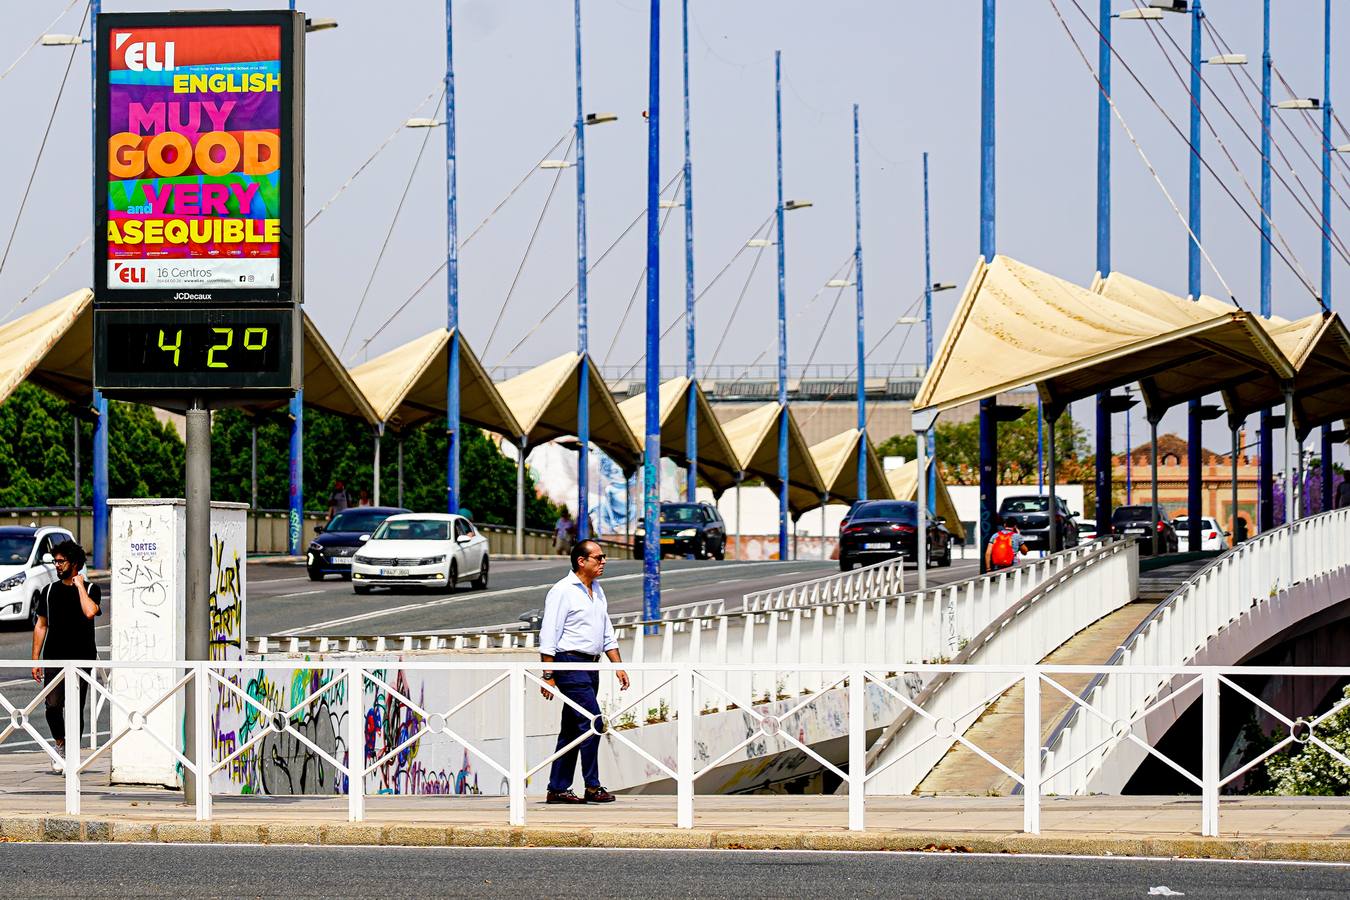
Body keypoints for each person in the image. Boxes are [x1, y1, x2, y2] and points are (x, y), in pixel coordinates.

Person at [538, 539, 629, 804]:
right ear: (581, 561)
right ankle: (592, 786)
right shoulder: (563, 591)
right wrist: (548, 675)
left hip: (591, 665)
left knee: (571, 729)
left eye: (603, 558)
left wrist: (618, 666)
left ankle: (557, 789)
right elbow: (549, 634)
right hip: (570, 664)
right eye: (598, 558)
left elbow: (606, 632)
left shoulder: (597, 590)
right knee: (594, 722)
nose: (603, 562)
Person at [30, 539, 101, 770]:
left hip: (81, 658)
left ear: (75, 563)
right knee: (52, 706)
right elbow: (41, 625)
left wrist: (80, 586)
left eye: (61, 561)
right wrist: (35, 659)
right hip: (54, 657)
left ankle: (71, 754)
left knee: (74, 708)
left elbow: (90, 612)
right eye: (55, 561)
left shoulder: (91, 590)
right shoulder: (48, 591)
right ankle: (60, 743)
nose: (57, 565)